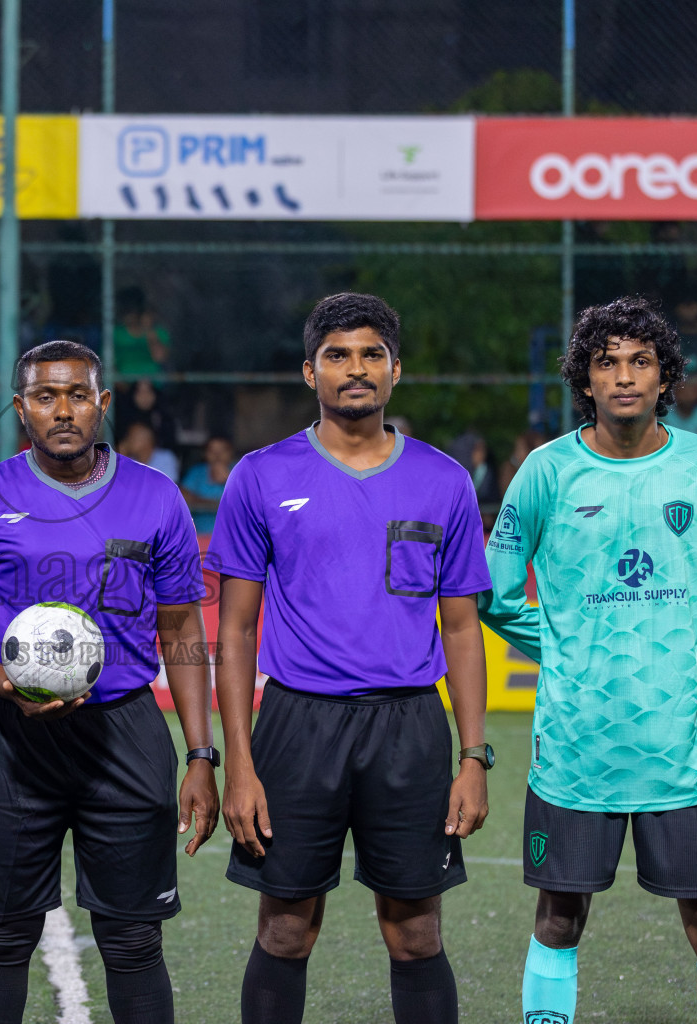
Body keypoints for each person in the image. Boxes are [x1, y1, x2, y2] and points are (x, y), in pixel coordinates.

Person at [207, 292, 491, 1024]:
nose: (355, 369)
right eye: (337, 355)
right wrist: (238, 762)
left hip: (409, 727)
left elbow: (461, 628)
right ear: (310, 372)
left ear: (396, 370)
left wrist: (473, 757)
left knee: (417, 932)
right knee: (285, 929)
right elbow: (235, 632)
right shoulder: (260, 476)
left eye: (371, 355)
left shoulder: (444, 480)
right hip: (297, 725)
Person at [0, 339, 219, 1024]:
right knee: (0, 938)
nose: (64, 410)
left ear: (102, 404)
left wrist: (202, 755)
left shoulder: (156, 497)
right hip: (10, 736)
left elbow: (181, 630)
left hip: (125, 734)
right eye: (46, 396)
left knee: (135, 938)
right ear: (22, 409)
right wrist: (12, 688)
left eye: (78, 395)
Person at [479, 296, 697, 1024]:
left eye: (641, 362)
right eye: (608, 363)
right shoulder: (545, 473)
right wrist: (567, 646)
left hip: (683, 748)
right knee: (559, 919)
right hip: (578, 745)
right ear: (585, 379)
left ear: (666, 377)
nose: (624, 377)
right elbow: (496, 594)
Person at [180, 435, 234, 533]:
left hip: (231, 535)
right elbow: (182, 496)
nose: (217, 455)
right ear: (205, 454)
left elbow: (251, 499)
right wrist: (210, 504)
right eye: (212, 451)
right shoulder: (197, 472)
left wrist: (229, 479)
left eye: (222, 450)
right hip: (200, 534)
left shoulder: (240, 470)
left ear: (230, 453)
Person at [113, 286, 171, 377]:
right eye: (125, 309)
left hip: (152, 386)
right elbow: (108, 364)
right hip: (124, 386)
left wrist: (148, 328)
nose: (128, 314)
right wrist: (123, 386)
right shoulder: (116, 334)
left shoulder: (158, 333)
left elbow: (159, 357)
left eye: (132, 310)